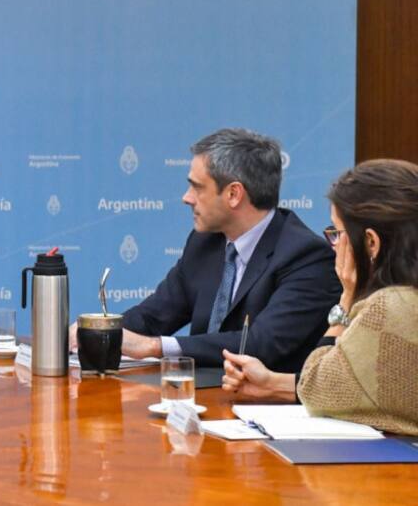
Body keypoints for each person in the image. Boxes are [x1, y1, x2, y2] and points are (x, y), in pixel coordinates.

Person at [107, 128, 340, 371]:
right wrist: (99, 334)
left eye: (197, 188)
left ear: (233, 194)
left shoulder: (307, 257)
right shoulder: (204, 242)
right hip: (199, 390)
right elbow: (153, 316)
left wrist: (155, 347)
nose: (187, 198)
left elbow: (261, 344)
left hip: (262, 394)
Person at [222, 160, 418, 434]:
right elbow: (359, 389)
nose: (334, 245)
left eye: (338, 233)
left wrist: (346, 298)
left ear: (371, 242)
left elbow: (317, 386)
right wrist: (273, 384)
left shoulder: (389, 307)